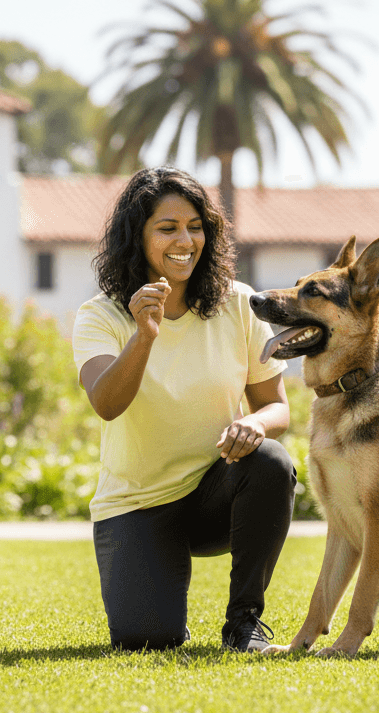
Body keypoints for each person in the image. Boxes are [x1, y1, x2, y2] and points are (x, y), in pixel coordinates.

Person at [72, 166, 296, 652]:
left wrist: (254, 424)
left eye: (195, 227)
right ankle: (161, 598)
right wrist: (145, 334)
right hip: (137, 506)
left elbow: (276, 407)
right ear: (137, 236)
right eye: (168, 228)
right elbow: (107, 404)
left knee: (273, 462)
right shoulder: (101, 315)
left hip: (216, 494)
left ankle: (244, 625)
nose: (185, 240)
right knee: (148, 639)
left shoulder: (236, 304)